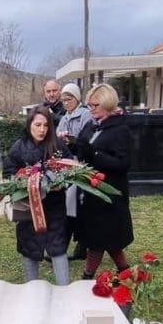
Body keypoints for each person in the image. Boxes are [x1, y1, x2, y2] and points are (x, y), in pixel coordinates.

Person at [72, 84, 134, 280]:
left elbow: (123, 164)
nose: (91, 109)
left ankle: (87, 277)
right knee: (105, 239)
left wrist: (95, 154)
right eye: (89, 105)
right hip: (90, 192)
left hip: (109, 193)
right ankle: (125, 272)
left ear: (107, 103)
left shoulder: (121, 129)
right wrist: (73, 145)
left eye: (95, 105)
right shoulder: (92, 125)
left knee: (99, 240)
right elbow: (83, 150)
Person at [3, 106, 70, 285]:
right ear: (29, 125)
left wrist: (60, 184)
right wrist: (22, 184)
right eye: (38, 125)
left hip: (55, 208)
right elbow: (8, 173)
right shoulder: (19, 147)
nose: (42, 130)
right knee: (30, 248)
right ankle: (31, 289)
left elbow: (71, 170)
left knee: (58, 248)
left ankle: (64, 290)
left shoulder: (57, 145)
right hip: (29, 210)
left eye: (46, 125)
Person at [56, 83, 91, 261]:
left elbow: (87, 139)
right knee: (70, 206)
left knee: (78, 206)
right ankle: (69, 247)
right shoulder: (64, 118)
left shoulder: (85, 115)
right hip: (67, 163)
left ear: (77, 99)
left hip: (81, 163)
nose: (66, 103)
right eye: (63, 100)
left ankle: (79, 246)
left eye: (69, 99)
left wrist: (72, 140)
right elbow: (57, 136)